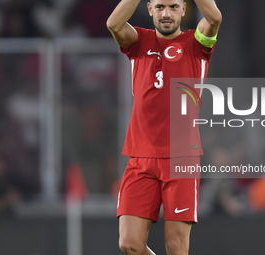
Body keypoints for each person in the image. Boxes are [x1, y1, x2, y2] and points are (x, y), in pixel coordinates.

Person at [107, 0, 221, 254]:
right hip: (140, 156)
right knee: (129, 243)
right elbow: (114, 24)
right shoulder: (138, 42)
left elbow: (213, 18)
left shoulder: (197, 44)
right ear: (149, 9)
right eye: (159, 7)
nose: (166, 14)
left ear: (183, 9)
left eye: (172, 6)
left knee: (175, 246)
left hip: (181, 157)